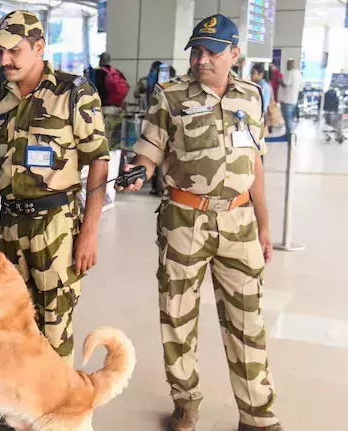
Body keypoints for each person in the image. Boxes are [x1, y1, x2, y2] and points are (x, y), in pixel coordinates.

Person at [119, 14, 284, 431]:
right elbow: (150, 150)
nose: (201, 59)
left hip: (240, 221)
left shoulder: (252, 96)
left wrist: (265, 225)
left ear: (234, 53)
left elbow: (256, 164)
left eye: (211, 51)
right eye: (196, 50)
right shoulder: (170, 95)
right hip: (184, 220)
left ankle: (257, 414)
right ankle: (186, 402)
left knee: (248, 319)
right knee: (177, 316)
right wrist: (138, 171)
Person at [0, 10, 109, 430]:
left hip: (56, 223)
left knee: (55, 321)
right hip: (10, 224)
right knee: (10, 322)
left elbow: (98, 163)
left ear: (39, 47)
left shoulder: (74, 93)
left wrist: (88, 234)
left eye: (14, 51)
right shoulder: (0, 99)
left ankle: (54, 413)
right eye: (0, 52)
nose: (4, 61)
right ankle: (14, 407)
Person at [279, 58, 302, 140]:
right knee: (290, 117)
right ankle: (290, 133)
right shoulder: (298, 73)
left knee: (287, 117)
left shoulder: (290, 73)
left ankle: (288, 135)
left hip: (287, 99)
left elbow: (285, 84)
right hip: (293, 99)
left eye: (288, 64)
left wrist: (279, 81)